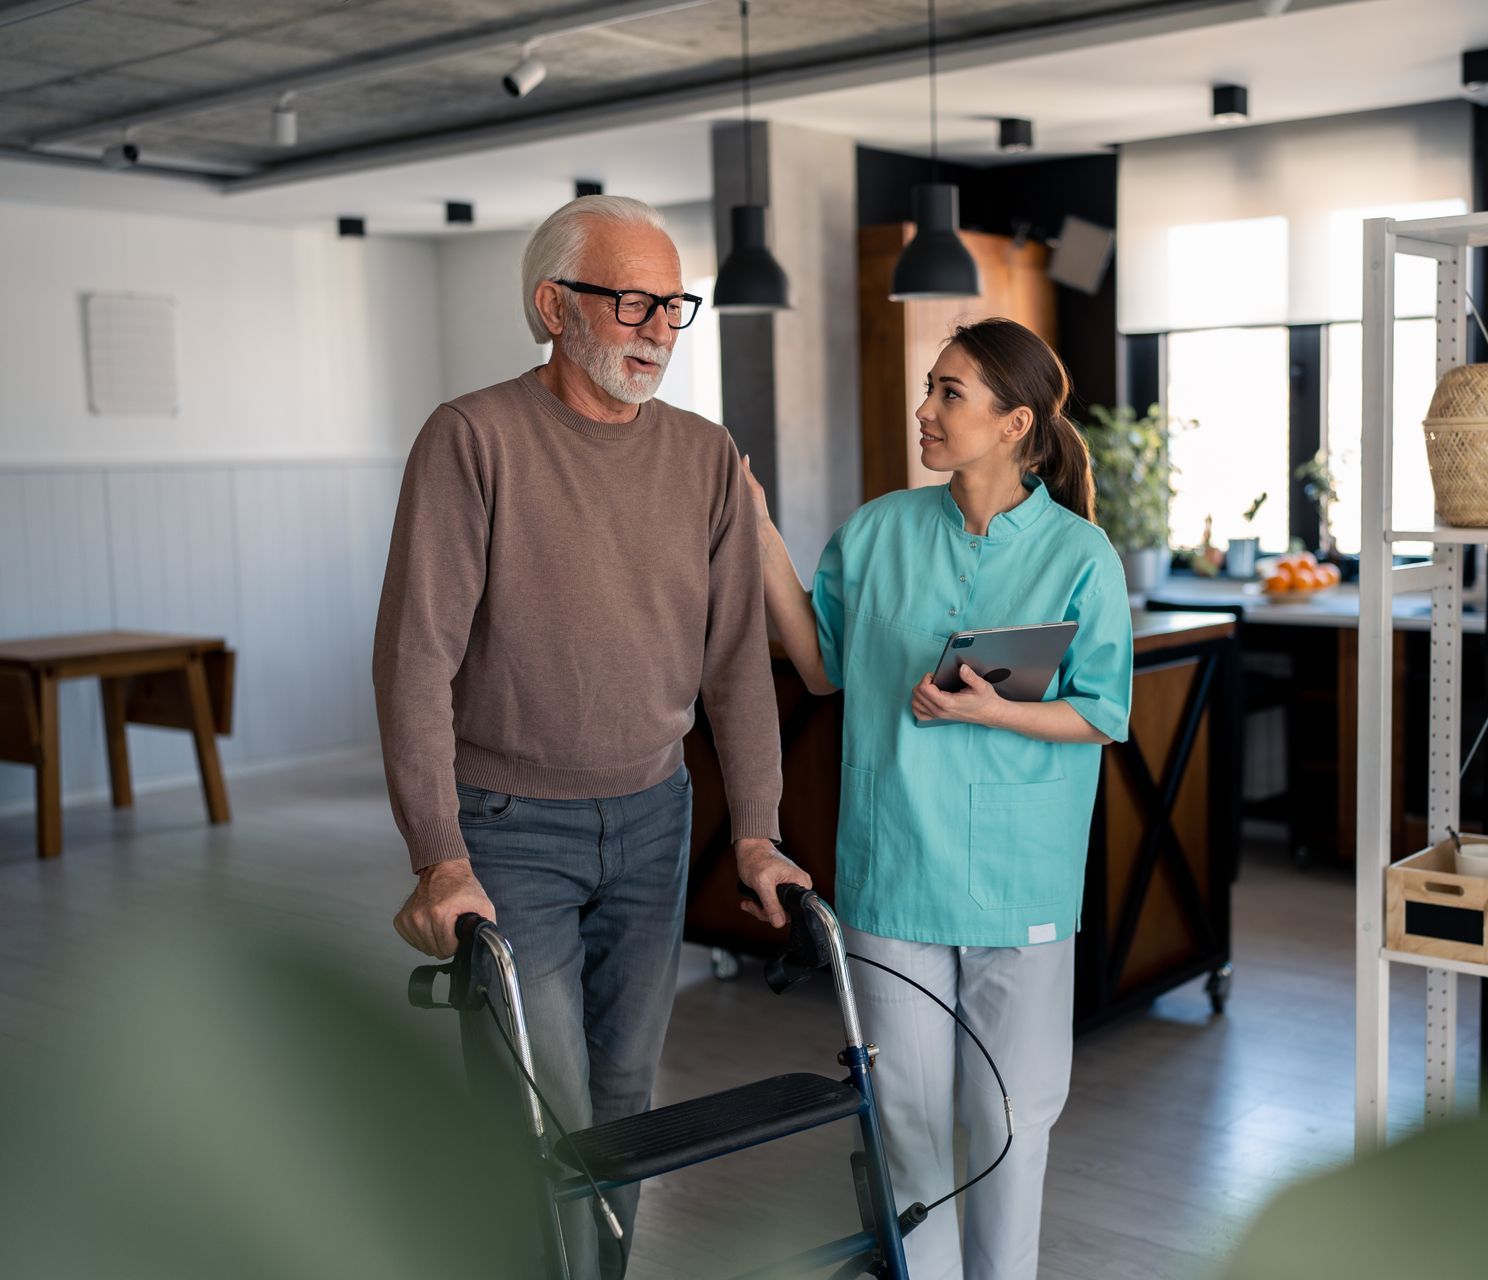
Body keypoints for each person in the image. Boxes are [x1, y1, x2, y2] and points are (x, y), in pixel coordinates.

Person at [373, 194, 810, 1280]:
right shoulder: (471, 438)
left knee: (623, 1100)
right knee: (545, 1103)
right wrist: (438, 853)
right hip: (509, 827)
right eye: (632, 301)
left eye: (674, 304)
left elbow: (733, 667)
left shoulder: (707, 457)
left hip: (657, 816)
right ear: (552, 306)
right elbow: (415, 658)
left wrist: (753, 830)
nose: (660, 327)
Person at [746, 317, 1133, 1280]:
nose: (925, 409)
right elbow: (823, 666)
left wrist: (996, 712)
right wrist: (756, 531)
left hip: (1021, 878)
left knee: (1009, 1122)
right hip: (894, 868)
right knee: (909, 1125)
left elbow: (1104, 712)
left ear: (1015, 423)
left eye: (949, 393)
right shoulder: (876, 531)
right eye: (930, 387)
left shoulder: (1084, 555)